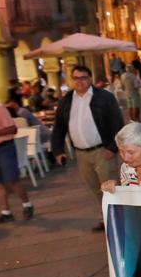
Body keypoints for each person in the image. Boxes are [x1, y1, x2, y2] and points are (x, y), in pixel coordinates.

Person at [51, 65, 124, 231]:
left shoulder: (104, 98)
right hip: (81, 153)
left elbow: (117, 123)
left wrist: (112, 147)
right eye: (76, 78)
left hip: (102, 151)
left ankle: (120, 220)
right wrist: (58, 150)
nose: (79, 82)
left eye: (83, 78)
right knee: (95, 188)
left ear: (89, 79)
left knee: (111, 187)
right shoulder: (67, 100)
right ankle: (106, 217)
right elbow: (59, 127)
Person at [0, 84, 33, 224]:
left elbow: (12, 129)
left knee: (12, 179)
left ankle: (27, 204)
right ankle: (5, 212)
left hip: (4, 147)